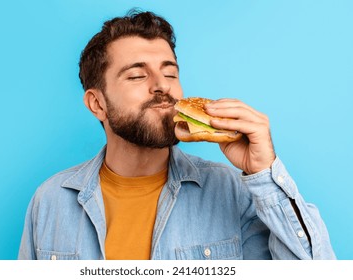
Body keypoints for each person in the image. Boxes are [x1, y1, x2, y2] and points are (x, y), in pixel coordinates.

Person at [18, 10, 335, 260]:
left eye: (170, 73)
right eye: (138, 75)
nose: (162, 85)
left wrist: (263, 174)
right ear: (97, 103)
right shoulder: (50, 202)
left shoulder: (232, 192)